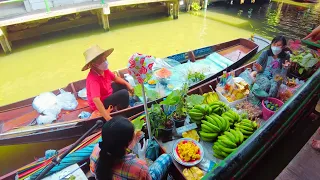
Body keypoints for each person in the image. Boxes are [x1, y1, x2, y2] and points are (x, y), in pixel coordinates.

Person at [90, 116, 172, 180]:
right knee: (167, 157)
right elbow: (147, 177)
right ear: (127, 143)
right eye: (133, 135)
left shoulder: (96, 149)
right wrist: (142, 159)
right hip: (141, 172)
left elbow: (94, 172)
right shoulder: (138, 167)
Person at [82, 45, 134, 120]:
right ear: (93, 64)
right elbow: (96, 100)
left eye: (104, 59)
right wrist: (107, 117)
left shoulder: (104, 70)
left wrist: (128, 84)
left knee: (123, 83)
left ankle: (119, 105)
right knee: (124, 93)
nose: (104, 61)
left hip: (106, 93)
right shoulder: (93, 79)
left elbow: (115, 78)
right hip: (101, 102)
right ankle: (125, 111)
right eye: (101, 60)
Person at [248, 35, 291, 104]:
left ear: (283, 47)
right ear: (271, 44)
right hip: (263, 74)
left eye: (279, 45)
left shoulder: (286, 56)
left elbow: (282, 76)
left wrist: (285, 68)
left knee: (274, 87)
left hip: (277, 76)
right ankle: (260, 99)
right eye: (274, 44)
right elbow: (255, 67)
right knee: (266, 84)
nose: (276, 47)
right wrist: (260, 69)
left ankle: (268, 102)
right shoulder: (265, 53)